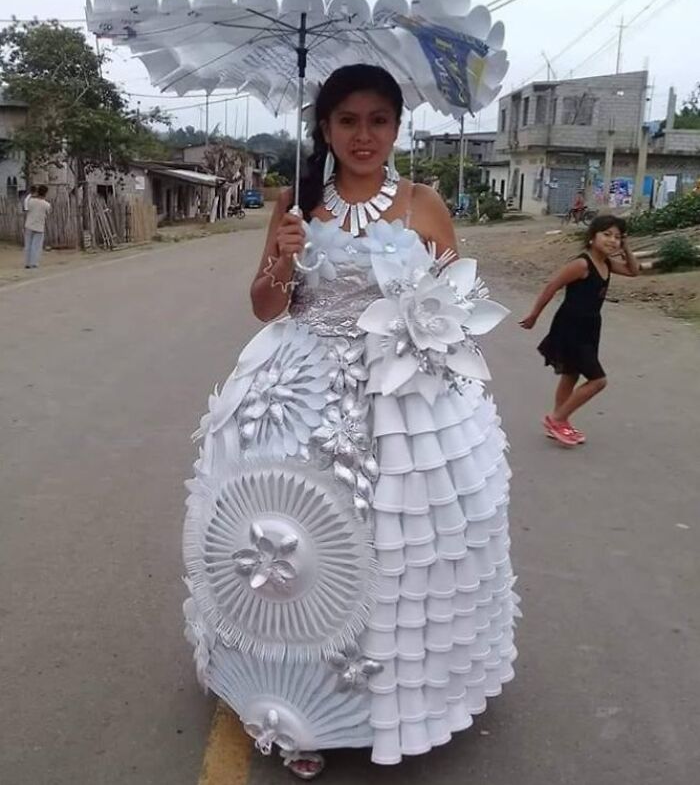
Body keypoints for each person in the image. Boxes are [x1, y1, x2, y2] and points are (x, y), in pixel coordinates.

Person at [183, 65, 519, 779]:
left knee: (402, 542)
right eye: (347, 120)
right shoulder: (295, 202)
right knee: (284, 542)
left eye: (378, 120)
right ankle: (286, 697)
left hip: (401, 399)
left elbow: (455, 308)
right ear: (325, 128)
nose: (363, 136)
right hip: (297, 389)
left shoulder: (425, 204)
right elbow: (266, 307)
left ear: (396, 127)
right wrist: (282, 258)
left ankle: (390, 703)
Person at [520, 215, 639, 446]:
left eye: (617, 237)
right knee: (598, 381)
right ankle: (556, 419)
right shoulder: (583, 264)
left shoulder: (606, 263)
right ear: (592, 237)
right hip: (571, 326)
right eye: (607, 234)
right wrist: (534, 315)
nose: (612, 240)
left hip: (590, 327)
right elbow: (552, 286)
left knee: (571, 374)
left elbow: (633, 271)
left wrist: (626, 248)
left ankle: (559, 422)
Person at [23, 185, 51, 269]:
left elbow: (26, 205)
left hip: (29, 225)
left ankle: (27, 263)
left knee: (28, 244)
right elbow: (48, 213)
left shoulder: (31, 201)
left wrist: (31, 195)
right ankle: (34, 263)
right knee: (36, 245)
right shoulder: (46, 204)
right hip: (39, 227)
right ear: (45, 193)